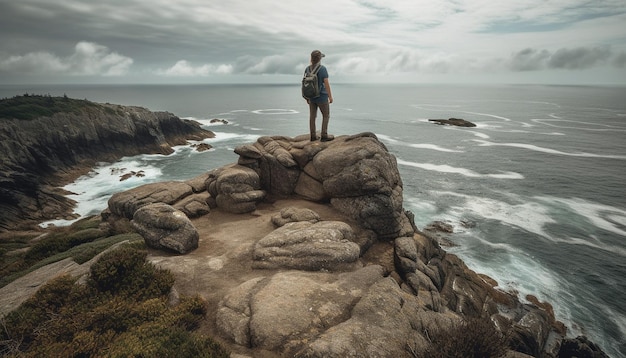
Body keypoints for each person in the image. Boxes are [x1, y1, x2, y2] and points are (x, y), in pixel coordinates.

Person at [304, 50, 334, 141]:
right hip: (322, 97)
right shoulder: (322, 69)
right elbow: (326, 83)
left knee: (312, 117)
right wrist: (330, 96)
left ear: (311, 58)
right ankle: (324, 135)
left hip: (311, 96)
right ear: (320, 58)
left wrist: (306, 97)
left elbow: (305, 84)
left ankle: (312, 136)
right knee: (326, 115)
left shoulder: (307, 69)